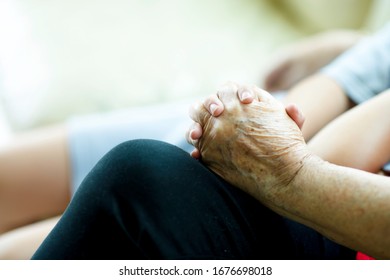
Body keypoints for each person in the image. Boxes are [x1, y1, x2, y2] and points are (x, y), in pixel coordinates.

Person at [0, 27, 365, 259]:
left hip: (296, 176)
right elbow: (346, 81)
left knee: (16, 252)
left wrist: (285, 160)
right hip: (272, 123)